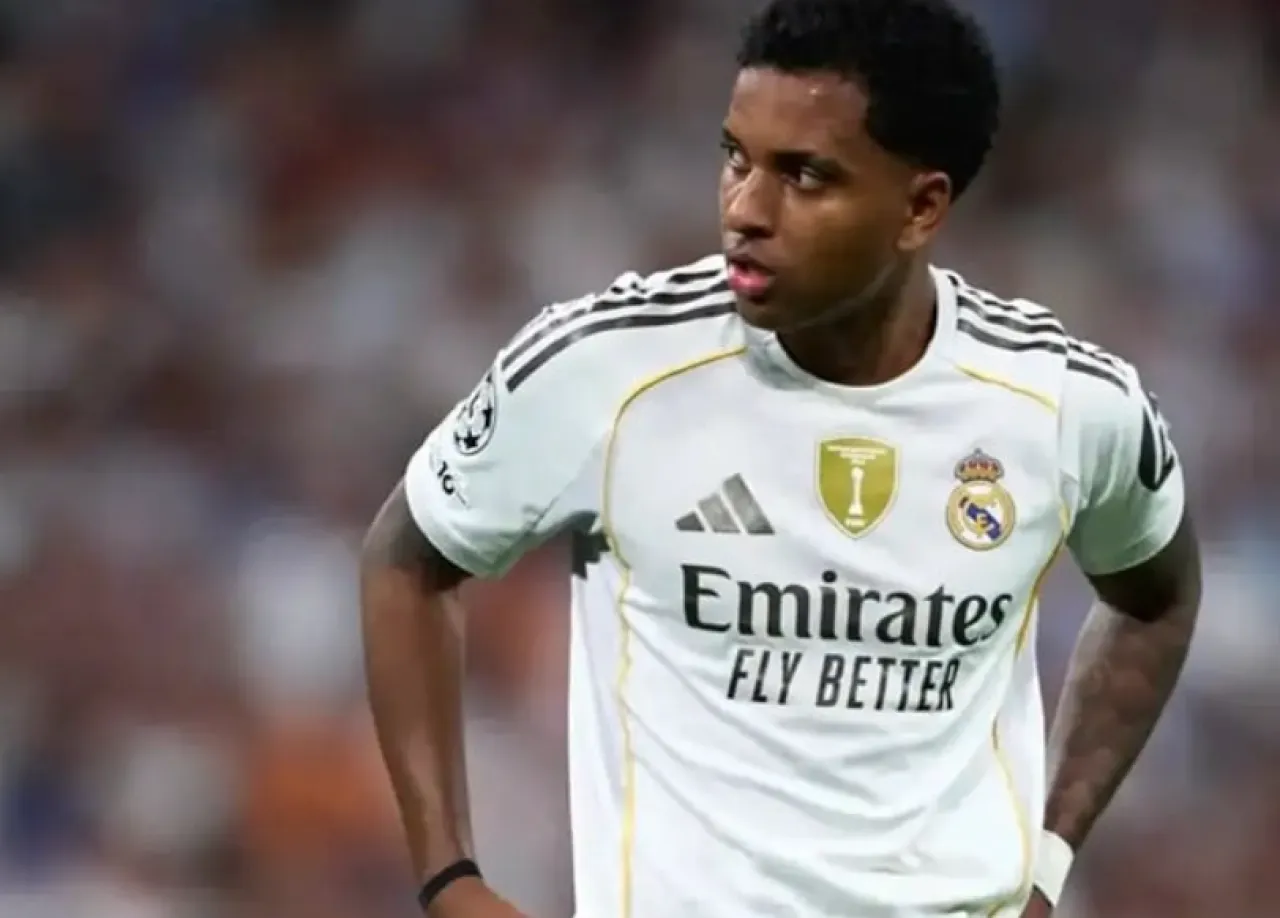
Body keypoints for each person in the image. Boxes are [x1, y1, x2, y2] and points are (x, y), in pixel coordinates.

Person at [359, 0, 1202, 915]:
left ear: (921, 206)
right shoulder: (606, 369)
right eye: (736, 157)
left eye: (804, 176)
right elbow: (407, 557)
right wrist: (449, 879)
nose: (744, 210)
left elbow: (1156, 599)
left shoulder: (1064, 403)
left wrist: (1048, 860)